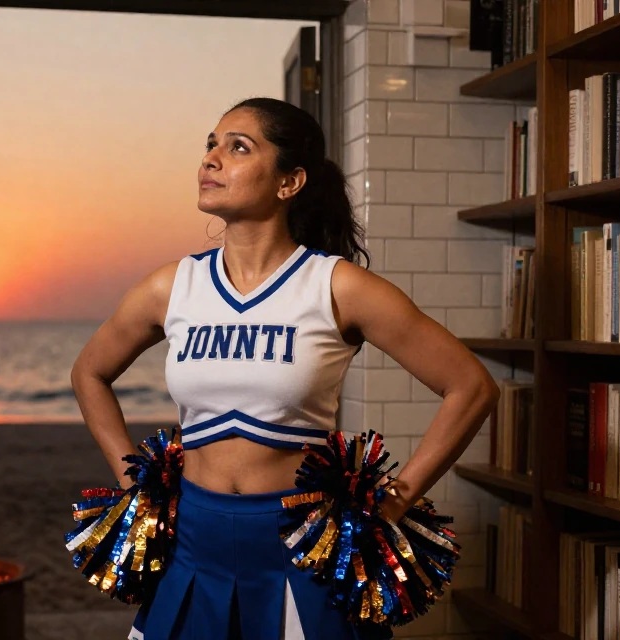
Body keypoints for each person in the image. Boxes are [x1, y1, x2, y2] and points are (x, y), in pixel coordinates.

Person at [70, 97, 500, 640]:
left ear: (289, 181)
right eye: (211, 144)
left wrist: (396, 500)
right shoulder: (172, 286)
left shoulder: (336, 286)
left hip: (301, 546)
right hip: (192, 542)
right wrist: (135, 482)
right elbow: (89, 372)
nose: (211, 159)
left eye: (238, 147)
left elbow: (472, 386)